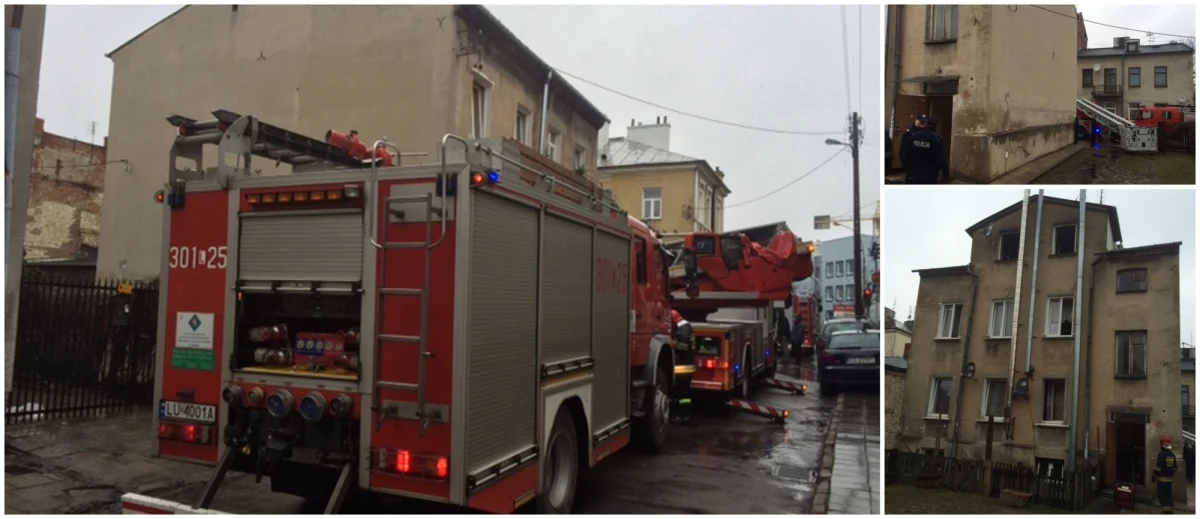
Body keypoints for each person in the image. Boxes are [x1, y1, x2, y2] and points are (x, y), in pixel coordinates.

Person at [908, 118, 947, 184]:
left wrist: (908, 167)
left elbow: (908, 151)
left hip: (915, 168)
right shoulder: (936, 138)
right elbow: (941, 156)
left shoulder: (915, 135)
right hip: (930, 171)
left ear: (926, 124)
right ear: (936, 126)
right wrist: (945, 172)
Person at [1152, 435, 1178, 514]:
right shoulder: (1172, 455)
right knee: (1168, 495)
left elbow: (1159, 466)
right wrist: (1170, 473)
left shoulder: (1162, 454)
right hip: (1169, 479)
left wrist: (1154, 474)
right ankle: (1169, 510)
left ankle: (1165, 512)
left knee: (1161, 495)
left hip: (1161, 479)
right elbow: (1175, 468)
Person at [899, 115, 925, 182]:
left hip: (923, 167)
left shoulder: (927, 133)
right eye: (921, 121)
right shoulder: (909, 133)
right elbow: (904, 150)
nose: (922, 123)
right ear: (916, 120)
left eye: (924, 121)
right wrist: (907, 166)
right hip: (912, 165)